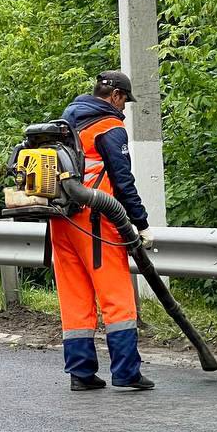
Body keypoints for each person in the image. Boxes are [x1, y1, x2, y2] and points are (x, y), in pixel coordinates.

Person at [53, 71, 156, 392]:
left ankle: (81, 373)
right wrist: (140, 223)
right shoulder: (109, 126)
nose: (124, 108)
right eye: (124, 101)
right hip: (95, 222)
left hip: (60, 220)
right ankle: (126, 372)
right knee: (117, 297)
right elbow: (122, 180)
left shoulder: (64, 122)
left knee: (75, 298)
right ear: (116, 97)